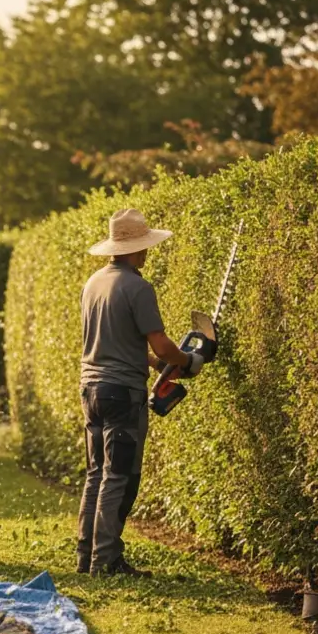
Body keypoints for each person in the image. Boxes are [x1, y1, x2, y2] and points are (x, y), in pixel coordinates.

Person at [77, 208, 203, 577]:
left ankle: (86, 555)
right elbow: (161, 343)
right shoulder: (138, 287)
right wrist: (188, 361)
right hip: (122, 394)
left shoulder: (93, 283)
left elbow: (113, 341)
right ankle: (106, 560)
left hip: (91, 389)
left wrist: (153, 363)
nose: (148, 251)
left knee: (96, 473)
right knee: (120, 475)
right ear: (136, 249)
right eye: (145, 246)